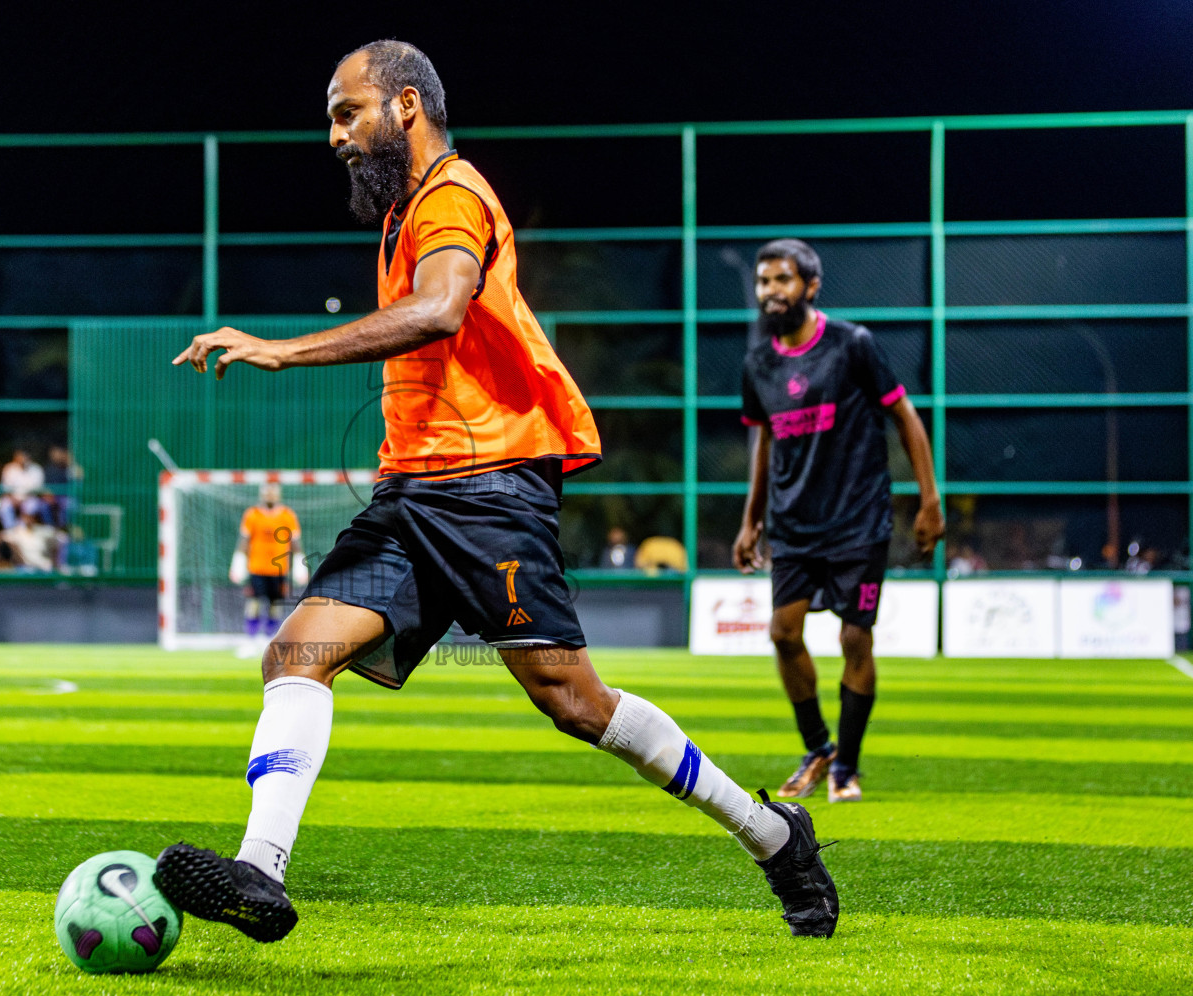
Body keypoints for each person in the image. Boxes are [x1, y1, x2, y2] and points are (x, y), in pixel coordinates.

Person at [149, 41, 838, 945]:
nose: (334, 135)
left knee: (574, 702)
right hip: (409, 495)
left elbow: (440, 309)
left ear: (405, 107)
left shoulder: (453, 196)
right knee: (296, 655)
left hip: (488, 489)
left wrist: (282, 348)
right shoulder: (402, 214)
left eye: (345, 111)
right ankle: (260, 872)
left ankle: (772, 833)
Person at [733, 239, 944, 805]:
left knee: (855, 635)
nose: (771, 292)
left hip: (858, 519)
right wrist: (750, 521)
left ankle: (846, 766)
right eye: (763, 282)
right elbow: (765, 443)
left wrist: (929, 499)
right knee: (783, 632)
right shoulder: (758, 362)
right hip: (793, 522)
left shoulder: (853, 344)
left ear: (810, 285)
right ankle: (817, 746)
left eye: (781, 280)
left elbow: (905, 416)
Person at [230, 482, 308, 648]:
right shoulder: (252, 514)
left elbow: (295, 541)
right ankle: (250, 640)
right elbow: (244, 540)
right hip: (256, 567)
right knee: (254, 602)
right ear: (261, 494)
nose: (270, 495)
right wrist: (238, 562)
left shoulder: (287, 515)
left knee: (275, 603)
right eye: (267, 492)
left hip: (279, 568)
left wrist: (300, 563)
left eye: (273, 492)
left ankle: (269, 638)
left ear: (278, 495)